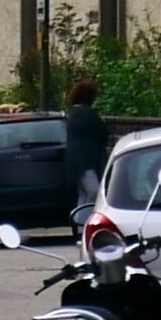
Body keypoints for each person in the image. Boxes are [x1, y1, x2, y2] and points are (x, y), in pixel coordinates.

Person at [62, 74, 111, 221]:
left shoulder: (72, 114)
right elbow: (102, 133)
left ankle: (79, 223)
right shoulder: (88, 114)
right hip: (86, 162)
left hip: (75, 162)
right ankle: (87, 222)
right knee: (94, 191)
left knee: (83, 194)